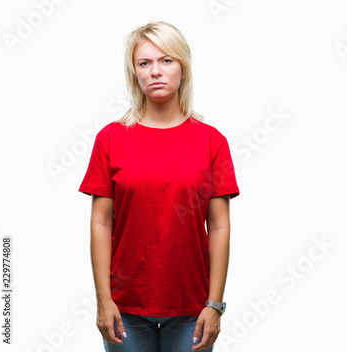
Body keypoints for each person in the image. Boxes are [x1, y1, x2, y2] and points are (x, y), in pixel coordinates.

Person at [78, 21, 240, 352]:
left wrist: (215, 304)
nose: (156, 71)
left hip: (192, 307)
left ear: (184, 68)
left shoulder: (212, 142)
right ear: (134, 73)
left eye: (166, 60)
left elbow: (220, 226)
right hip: (125, 307)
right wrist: (103, 300)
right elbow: (100, 222)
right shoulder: (110, 139)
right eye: (144, 63)